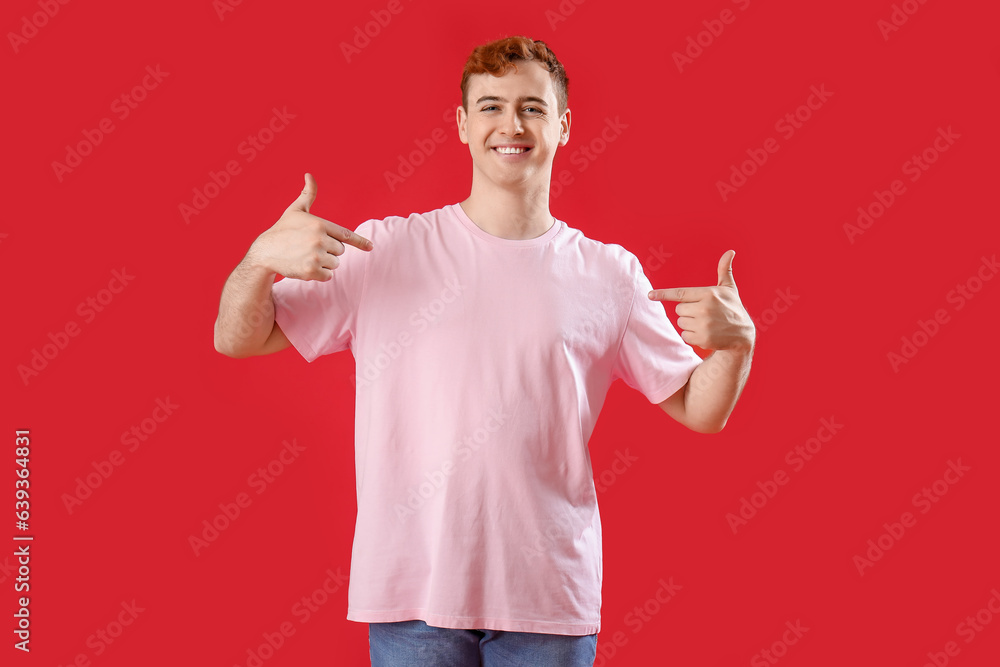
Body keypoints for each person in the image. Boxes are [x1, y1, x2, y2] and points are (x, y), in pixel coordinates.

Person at [213, 35, 755, 667]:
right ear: (464, 125)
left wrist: (737, 346)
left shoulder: (610, 274)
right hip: (411, 598)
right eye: (491, 106)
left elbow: (699, 406)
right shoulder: (381, 251)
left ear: (563, 125)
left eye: (532, 106)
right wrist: (257, 263)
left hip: (547, 601)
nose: (512, 124)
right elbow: (238, 338)